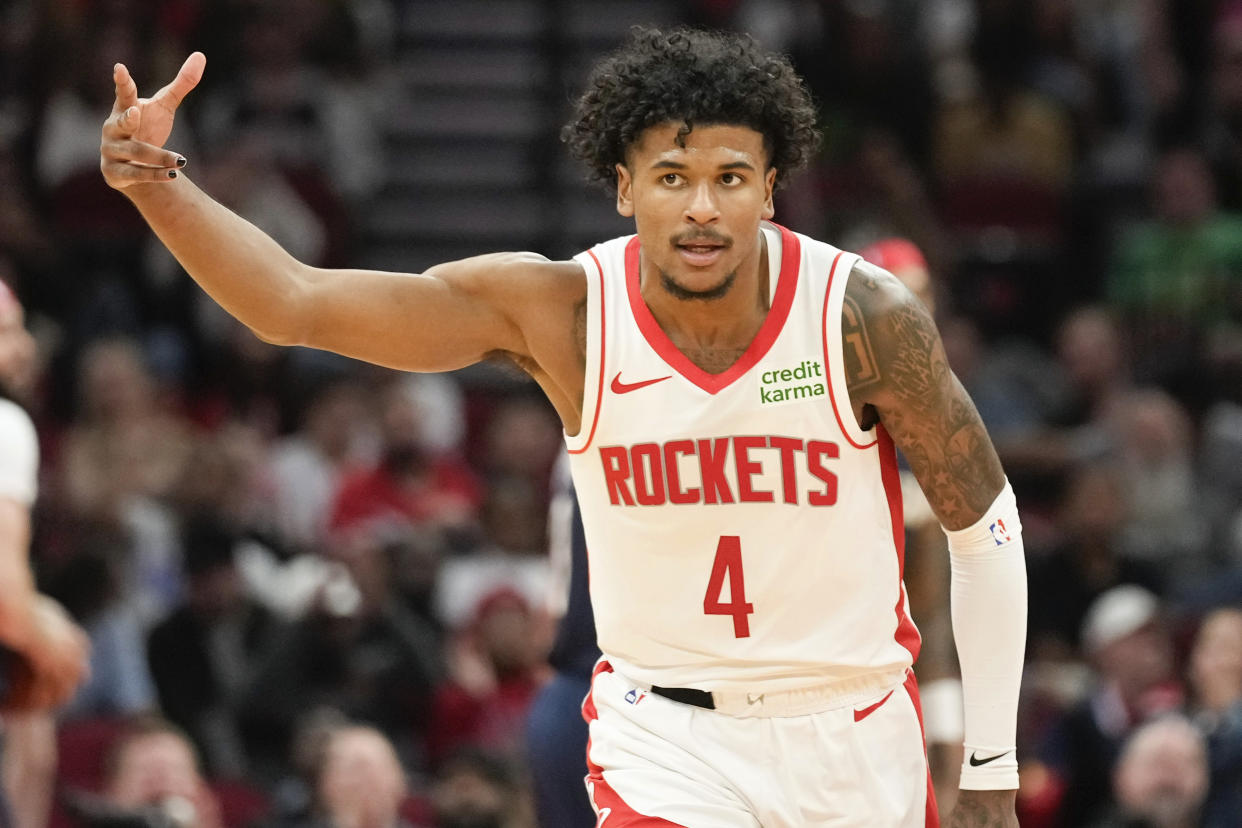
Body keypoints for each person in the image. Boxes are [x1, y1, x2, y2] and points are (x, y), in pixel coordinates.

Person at [99, 27, 1027, 827]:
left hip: (851, 730)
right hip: (667, 733)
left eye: (730, 177)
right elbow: (294, 304)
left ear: (771, 189)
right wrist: (158, 189)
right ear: (624, 189)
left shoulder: (859, 315)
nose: (701, 207)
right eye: (672, 176)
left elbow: (983, 532)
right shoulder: (565, 314)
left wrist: (989, 765)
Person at [0, 278, 91, 826]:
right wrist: (47, 635)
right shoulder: (5, 426)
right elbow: (5, 596)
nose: (26, 347)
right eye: (7, 332)